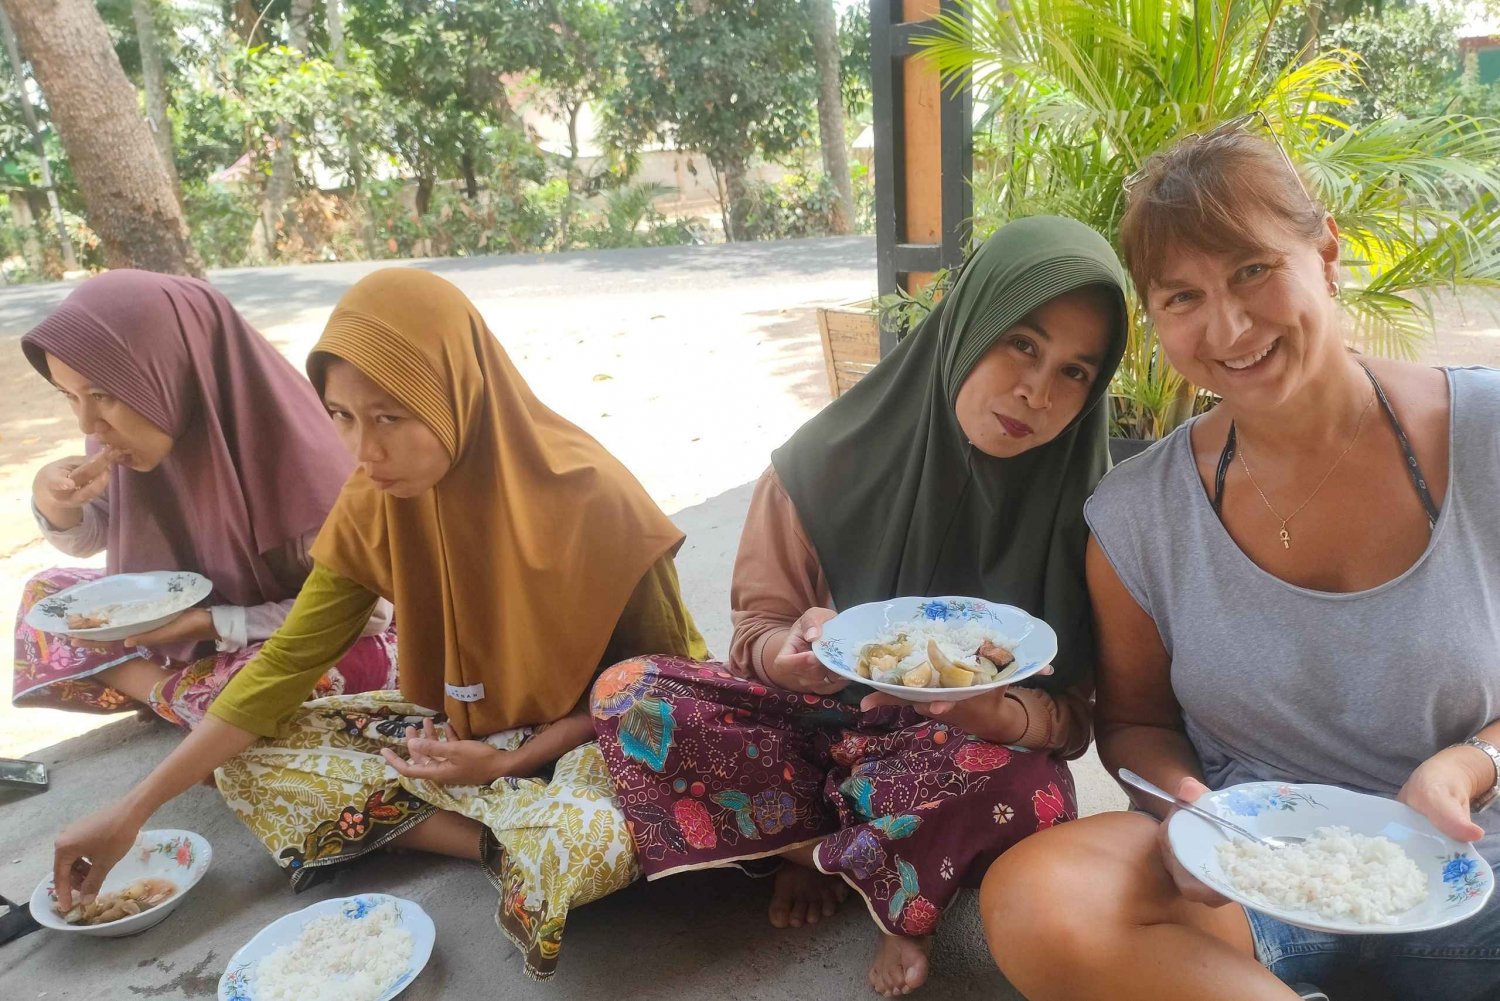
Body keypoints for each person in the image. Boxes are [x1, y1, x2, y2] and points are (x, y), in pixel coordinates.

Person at [50, 269, 708, 980]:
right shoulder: (375, 501)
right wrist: (132, 809)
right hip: (457, 734)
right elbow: (284, 665)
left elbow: (664, 684)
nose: (363, 451)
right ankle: (496, 841)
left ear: (455, 393)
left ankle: (524, 822)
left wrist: (510, 761)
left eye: (389, 416)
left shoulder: (594, 498)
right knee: (241, 757)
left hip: (589, 740)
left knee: (594, 837)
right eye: (341, 416)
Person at [981, 118, 1500, 1001]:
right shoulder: (1137, 512)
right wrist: (1186, 809)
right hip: (1255, 881)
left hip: (1477, 872)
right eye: (1181, 298)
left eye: (1253, 270)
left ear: (1326, 250)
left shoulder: (1486, 432)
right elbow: (1136, 720)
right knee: (1040, 896)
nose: (1227, 326)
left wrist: (1470, 763)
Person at [590, 216, 1129, 997]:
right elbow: (755, 632)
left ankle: (836, 857)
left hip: (944, 759)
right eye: (1022, 343)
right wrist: (790, 657)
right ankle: (840, 856)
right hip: (810, 732)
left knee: (1031, 790)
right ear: (971, 317)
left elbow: (1076, 716)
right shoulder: (825, 460)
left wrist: (1001, 717)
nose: (1037, 393)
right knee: (630, 692)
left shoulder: (1087, 518)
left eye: (1076, 372)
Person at [15, 270, 395, 729]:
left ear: (175, 371)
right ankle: (180, 698)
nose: (88, 424)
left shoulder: (300, 458)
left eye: (103, 394)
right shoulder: (133, 437)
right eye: (70, 397)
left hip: (313, 632)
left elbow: (370, 613)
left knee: (285, 678)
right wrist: (56, 502)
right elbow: (97, 534)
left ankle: (183, 698)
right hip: (202, 630)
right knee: (47, 598)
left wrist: (211, 623)